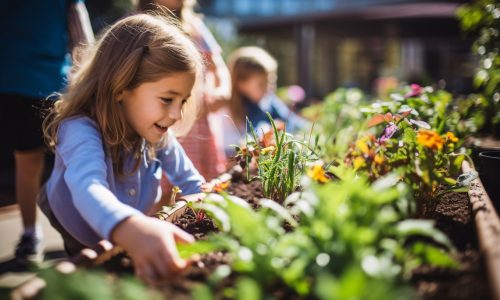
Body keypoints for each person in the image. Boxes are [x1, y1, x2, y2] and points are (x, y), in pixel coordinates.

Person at [39, 14, 205, 283]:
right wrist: (129, 227)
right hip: (77, 223)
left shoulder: (156, 130)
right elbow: (88, 187)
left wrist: (215, 206)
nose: (176, 114)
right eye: (167, 99)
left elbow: (191, 181)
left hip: (128, 217)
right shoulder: (79, 128)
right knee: (92, 271)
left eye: (182, 101)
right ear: (121, 87)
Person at [0, 0, 94, 263]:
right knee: (30, 162)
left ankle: (82, 230)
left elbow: (82, 37)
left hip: (54, 86)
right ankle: (32, 234)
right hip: (16, 82)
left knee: (70, 160)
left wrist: (87, 78)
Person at [137, 0, 231, 181]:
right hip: (159, 122)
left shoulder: (194, 25)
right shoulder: (137, 24)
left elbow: (217, 65)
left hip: (198, 122)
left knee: (202, 185)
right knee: (162, 189)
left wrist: (223, 90)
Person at [219, 46, 309, 157]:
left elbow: (293, 122)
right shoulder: (228, 111)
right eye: (261, 84)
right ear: (241, 84)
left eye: (271, 82)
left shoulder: (269, 101)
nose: (269, 88)